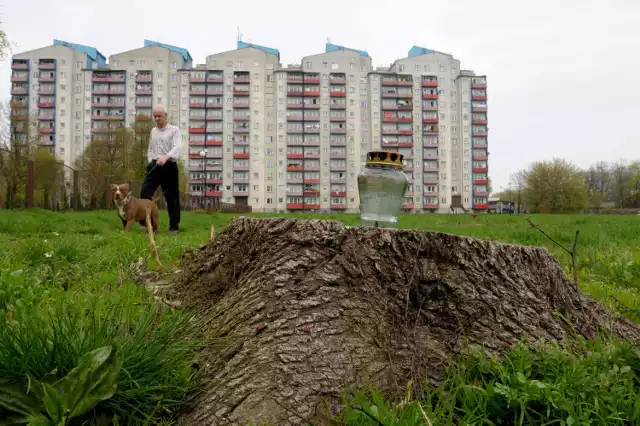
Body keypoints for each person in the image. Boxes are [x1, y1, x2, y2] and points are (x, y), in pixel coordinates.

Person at [140, 104, 183, 235]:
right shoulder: (153, 131)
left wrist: (166, 157)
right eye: (155, 116)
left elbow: (178, 146)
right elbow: (150, 148)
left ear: (166, 116)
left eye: (159, 116)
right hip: (154, 165)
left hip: (168, 166)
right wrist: (150, 161)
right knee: (145, 192)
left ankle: (174, 226)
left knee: (171, 197)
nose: (157, 118)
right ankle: (147, 224)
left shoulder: (174, 130)